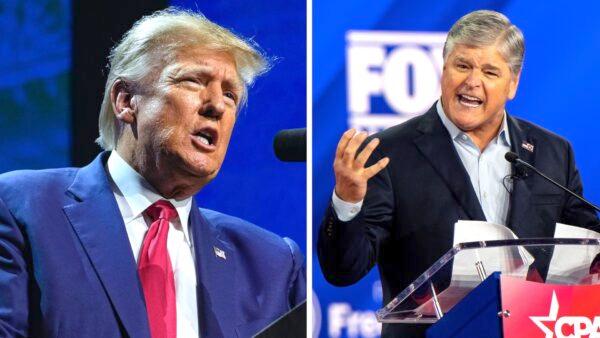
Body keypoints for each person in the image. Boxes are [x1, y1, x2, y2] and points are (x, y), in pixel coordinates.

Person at [0, 8, 305, 338]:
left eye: (230, 94)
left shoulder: (271, 263)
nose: (216, 105)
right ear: (126, 100)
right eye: (193, 81)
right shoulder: (24, 208)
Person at [318, 10, 599, 338]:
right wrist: (347, 202)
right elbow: (343, 270)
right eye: (462, 65)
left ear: (513, 83)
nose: (472, 82)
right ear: (444, 68)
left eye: (490, 71)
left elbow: (587, 244)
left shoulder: (553, 152)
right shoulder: (388, 153)